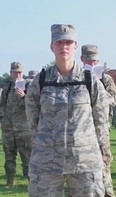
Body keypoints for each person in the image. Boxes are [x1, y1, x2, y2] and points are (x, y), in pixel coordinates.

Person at [25, 24, 110, 196]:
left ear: (75, 46)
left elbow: (101, 123)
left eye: (68, 42)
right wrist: (46, 143)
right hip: (46, 161)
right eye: (59, 43)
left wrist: (104, 159)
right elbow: (33, 121)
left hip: (84, 160)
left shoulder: (90, 81)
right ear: (52, 47)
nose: (64, 46)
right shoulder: (40, 81)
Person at [79, 44, 116, 197]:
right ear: (82, 59)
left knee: (104, 165)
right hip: (80, 130)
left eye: (94, 61)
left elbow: (114, 98)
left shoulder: (105, 79)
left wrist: (98, 89)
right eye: (89, 61)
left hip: (100, 130)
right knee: (79, 167)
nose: (92, 64)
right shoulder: (76, 77)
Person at [0, 62, 32, 188]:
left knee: (27, 157)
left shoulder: (29, 85)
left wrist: (24, 97)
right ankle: (10, 181)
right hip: (8, 128)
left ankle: (31, 182)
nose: (17, 75)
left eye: (19, 72)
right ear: (10, 73)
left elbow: (35, 105)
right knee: (9, 156)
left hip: (24, 128)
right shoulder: (7, 87)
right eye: (15, 72)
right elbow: (2, 104)